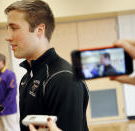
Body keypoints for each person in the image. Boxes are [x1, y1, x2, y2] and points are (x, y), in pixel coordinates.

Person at [5, 0, 89, 131]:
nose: (8, 36)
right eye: (7, 29)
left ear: (39, 30)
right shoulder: (27, 77)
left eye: (14, 28)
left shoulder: (63, 78)